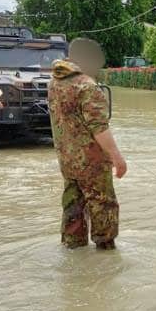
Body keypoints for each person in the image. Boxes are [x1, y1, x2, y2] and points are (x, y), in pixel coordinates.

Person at [48, 38, 127, 249]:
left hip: (67, 159)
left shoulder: (55, 81)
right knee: (103, 204)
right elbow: (99, 128)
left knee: (73, 204)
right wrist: (117, 158)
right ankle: (106, 254)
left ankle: (74, 249)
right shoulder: (87, 86)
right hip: (90, 161)